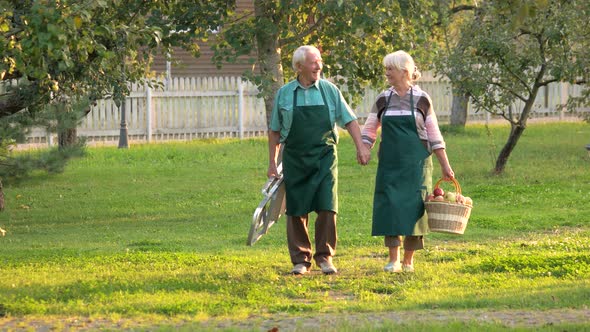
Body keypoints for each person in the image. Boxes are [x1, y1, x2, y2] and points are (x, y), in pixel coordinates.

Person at [267, 45, 371, 275]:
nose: (319, 66)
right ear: (299, 66)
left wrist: (361, 146)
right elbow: (275, 131)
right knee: (296, 209)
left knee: (327, 206)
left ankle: (325, 257)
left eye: (320, 61)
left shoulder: (329, 90)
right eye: (314, 62)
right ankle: (301, 260)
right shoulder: (285, 93)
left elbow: (350, 120)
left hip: (325, 156)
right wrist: (272, 163)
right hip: (294, 157)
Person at [361, 50, 454, 273]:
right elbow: (370, 127)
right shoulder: (383, 98)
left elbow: (434, 134)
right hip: (390, 164)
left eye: (389, 69)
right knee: (390, 207)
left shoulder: (422, 99)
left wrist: (445, 165)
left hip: (416, 165)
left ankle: (408, 260)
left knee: (414, 210)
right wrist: (364, 148)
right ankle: (393, 259)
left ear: (404, 72)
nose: (386, 73)